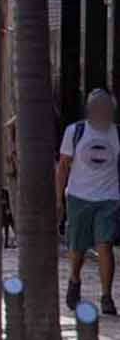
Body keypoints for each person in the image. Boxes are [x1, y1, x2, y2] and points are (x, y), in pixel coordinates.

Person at [59, 90, 120, 314]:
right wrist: (58, 199)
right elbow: (64, 166)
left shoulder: (116, 134)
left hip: (108, 199)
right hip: (79, 197)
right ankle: (74, 280)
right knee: (77, 249)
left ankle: (106, 296)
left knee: (105, 245)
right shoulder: (75, 132)